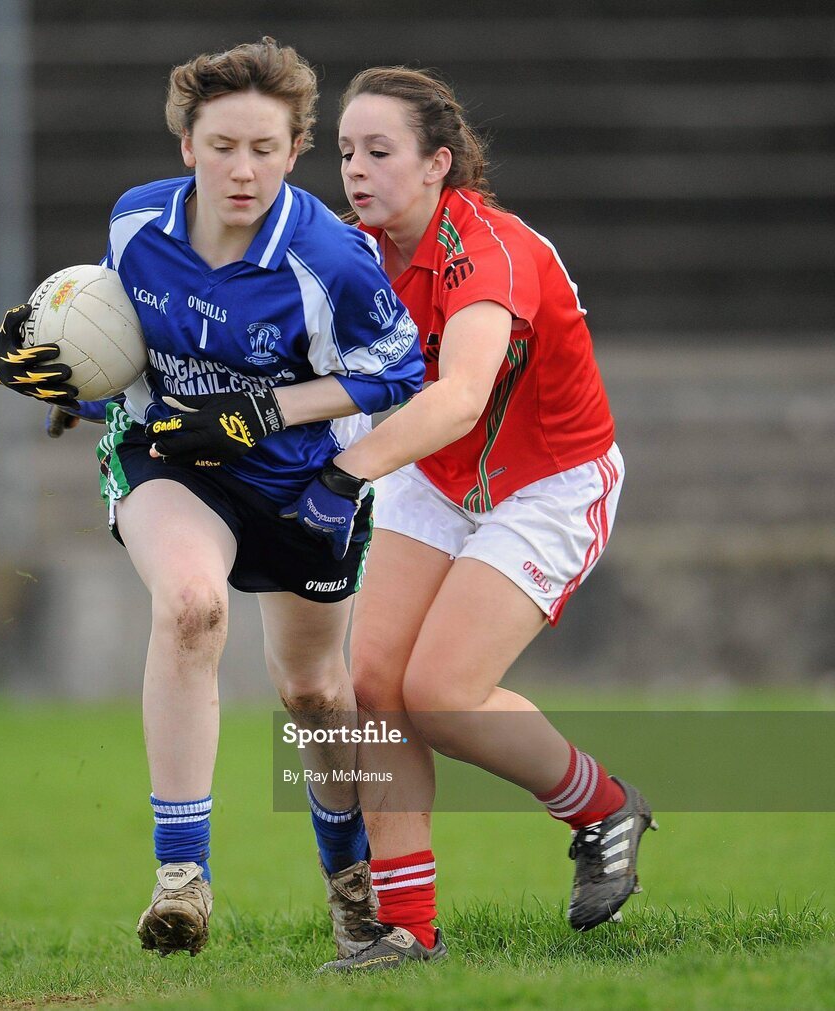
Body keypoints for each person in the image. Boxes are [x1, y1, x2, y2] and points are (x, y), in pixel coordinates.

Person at [152, 64, 657, 973]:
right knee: (376, 688)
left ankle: (602, 806)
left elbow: (461, 396)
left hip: (547, 483)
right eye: (346, 151)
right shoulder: (352, 248)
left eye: (380, 152)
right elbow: (256, 345)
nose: (357, 170)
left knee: (443, 695)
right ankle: (408, 931)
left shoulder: (489, 250)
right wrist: (111, 383)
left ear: (439, 164)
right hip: (432, 475)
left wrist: (342, 478)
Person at [0, 39, 424, 960]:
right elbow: (123, 348)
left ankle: (352, 888)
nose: (242, 169)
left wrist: (261, 409)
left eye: (265, 147)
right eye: (222, 145)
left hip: (300, 486)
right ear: (187, 144)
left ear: (296, 149)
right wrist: (73, 386)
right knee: (191, 607)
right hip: (170, 463)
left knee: (314, 692)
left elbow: (399, 374)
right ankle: (181, 876)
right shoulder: (137, 223)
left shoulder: (329, 258)